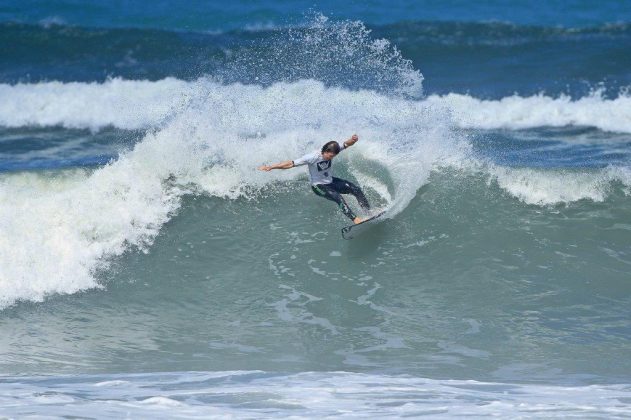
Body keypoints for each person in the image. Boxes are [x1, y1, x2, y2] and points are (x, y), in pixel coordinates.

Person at [258, 134, 371, 224]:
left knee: (355, 189)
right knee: (338, 198)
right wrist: (271, 167)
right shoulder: (312, 157)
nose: (332, 158)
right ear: (325, 151)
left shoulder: (333, 150)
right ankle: (356, 220)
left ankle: (368, 212)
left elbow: (346, 144)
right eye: (330, 156)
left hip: (330, 181)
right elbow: (290, 163)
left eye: (334, 156)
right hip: (318, 186)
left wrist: (353, 140)